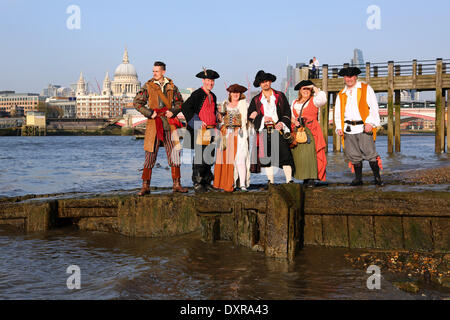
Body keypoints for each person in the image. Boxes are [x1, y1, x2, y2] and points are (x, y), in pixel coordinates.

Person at [133, 61, 187, 195]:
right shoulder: (148, 86)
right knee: (150, 155)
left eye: (156, 71)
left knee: (175, 154)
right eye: (153, 71)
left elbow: (180, 102)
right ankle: (145, 186)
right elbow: (137, 102)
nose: (154, 73)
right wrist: (149, 113)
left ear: (163, 72)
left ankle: (177, 184)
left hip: (169, 124)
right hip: (154, 124)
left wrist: (173, 111)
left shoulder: (172, 86)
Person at [334, 67, 383, 186]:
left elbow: (374, 107)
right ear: (344, 78)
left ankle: (377, 178)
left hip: (363, 126)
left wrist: (370, 123)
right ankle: (358, 179)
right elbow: (338, 112)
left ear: (355, 77)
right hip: (348, 128)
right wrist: (339, 127)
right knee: (354, 155)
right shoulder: (341, 94)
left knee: (370, 153)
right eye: (346, 77)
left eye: (351, 76)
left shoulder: (366, 89)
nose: (348, 79)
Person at [248, 70, 295, 188]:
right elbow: (251, 115)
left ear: (270, 82)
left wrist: (282, 123)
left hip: (278, 130)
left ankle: (289, 181)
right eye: (262, 82)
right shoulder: (255, 100)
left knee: (285, 156)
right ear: (259, 84)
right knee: (267, 158)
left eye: (267, 81)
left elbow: (287, 112)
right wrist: (263, 118)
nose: (265, 84)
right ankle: (271, 182)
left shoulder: (280, 96)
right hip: (264, 131)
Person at [181, 68, 220, 192]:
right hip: (201, 131)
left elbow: (211, 111)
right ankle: (197, 183)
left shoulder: (213, 95)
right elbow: (185, 107)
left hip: (212, 129)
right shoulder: (197, 93)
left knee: (209, 157)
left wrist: (218, 114)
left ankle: (207, 182)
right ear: (203, 80)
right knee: (200, 158)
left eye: (212, 81)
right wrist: (197, 122)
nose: (210, 83)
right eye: (208, 80)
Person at [213, 84, 250, 192]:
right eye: (234, 92)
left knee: (240, 159)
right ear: (230, 93)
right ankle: (230, 183)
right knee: (229, 161)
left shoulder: (243, 104)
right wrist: (220, 118)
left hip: (239, 135)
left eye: (238, 92)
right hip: (227, 135)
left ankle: (242, 184)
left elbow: (245, 120)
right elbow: (221, 121)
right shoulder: (225, 104)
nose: (236, 94)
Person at [291, 80, 327, 186]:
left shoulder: (314, 100)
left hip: (312, 131)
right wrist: (294, 121)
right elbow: (291, 116)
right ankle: (304, 177)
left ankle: (312, 177)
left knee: (313, 154)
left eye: (308, 89)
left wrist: (314, 87)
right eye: (304, 88)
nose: (306, 91)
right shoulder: (294, 102)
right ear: (300, 90)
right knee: (300, 155)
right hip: (299, 131)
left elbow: (323, 99)